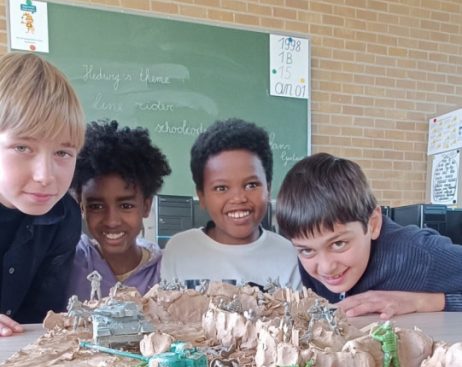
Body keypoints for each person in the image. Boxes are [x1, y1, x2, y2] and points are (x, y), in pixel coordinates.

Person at [276, 152, 462, 317]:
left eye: (339, 244)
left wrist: (421, 302)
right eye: (307, 250)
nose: (326, 268)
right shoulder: (311, 263)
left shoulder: (418, 253)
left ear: (373, 224)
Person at [0, 52, 85, 335]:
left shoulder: (65, 216)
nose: (45, 176)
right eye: (23, 148)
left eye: (62, 152)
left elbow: (40, 320)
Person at [161, 118, 300, 289]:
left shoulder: (288, 254)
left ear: (268, 189)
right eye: (221, 188)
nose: (238, 198)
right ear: (202, 196)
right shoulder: (180, 250)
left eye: (251, 185)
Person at [68, 120, 171, 301]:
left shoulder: (166, 271)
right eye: (96, 206)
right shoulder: (68, 264)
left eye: (126, 206)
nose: (112, 221)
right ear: (81, 206)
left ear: (146, 206)